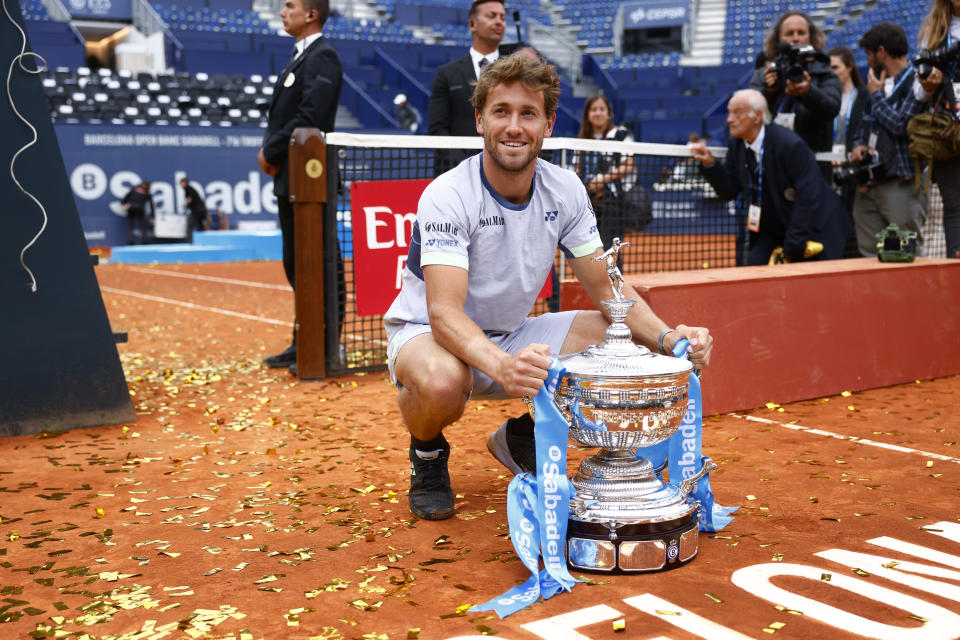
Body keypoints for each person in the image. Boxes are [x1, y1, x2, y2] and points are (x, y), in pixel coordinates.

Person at [383, 54, 713, 521]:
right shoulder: (448, 194)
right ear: (480, 120)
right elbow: (443, 313)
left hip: (510, 334)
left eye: (528, 113)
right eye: (501, 111)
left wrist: (670, 339)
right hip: (429, 336)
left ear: (549, 124)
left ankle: (521, 435)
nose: (513, 126)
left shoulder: (567, 189)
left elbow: (608, 290)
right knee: (442, 383)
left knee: (621, 342)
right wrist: (503, 365)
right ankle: (429, 453)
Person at [257, 0, 342, 371]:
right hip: (292, 178)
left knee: (319, 262)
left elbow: (311, 117)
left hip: (309, 177)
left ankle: (324, 347)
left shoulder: (322, 57)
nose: (281, 11)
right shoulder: (298, 56)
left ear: (311, 14)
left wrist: (270, 152)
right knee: (296, 263)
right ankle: (303, 338)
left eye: (289, 5)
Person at [690, 89, 851, 265]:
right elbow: (729, 190)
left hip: (816, 226)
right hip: (775, 227)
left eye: (737, 113)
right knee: (754, 267)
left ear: (757, 116)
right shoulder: (736, 144)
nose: (729, 119)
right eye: (729, 112)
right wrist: (710, 165)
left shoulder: (789, 144)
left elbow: (808, 197)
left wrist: (792, 245)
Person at [850, 22, 928, 257]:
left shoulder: (918, 81)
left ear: (881, 52)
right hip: (870, 181)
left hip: (901, 183)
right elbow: (861, 126)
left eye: (869, 54)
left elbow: (902, 125)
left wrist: (876, 96)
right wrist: (858, 146)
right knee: (869, 254)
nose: (868, 60)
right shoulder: (875, 81)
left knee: (904, 253)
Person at [427, 0, 505, 174]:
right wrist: (468, 166)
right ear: (472, 24)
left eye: (502, 17)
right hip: (455, 172)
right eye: (491, 16)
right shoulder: (446, 73)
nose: (499, 21)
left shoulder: (515, 73)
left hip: (504, 172)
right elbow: (437, 129)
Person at [750, 11, 841, 158]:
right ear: (779, 40)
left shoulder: (825, 73)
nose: (796, 38)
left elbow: (831, 109)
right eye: (789, 33)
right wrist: (770, 91)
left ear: (811, 38)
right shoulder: (764, 75)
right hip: (772, 161)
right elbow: (750, 115)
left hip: (812, 161)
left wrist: (808, 92)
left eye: (801, 33)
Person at [915, 0, 960, 258]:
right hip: (949, 132)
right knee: (955, 207)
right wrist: (929, 83)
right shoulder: (935, 31)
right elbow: (918, 91)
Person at [574, 93, 637, 268]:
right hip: (588, 206)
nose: (598, 113)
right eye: (593, 109)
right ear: (587, 114)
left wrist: (603, 180)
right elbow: (576, 169)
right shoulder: (581, 141)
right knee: (590, 251)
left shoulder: (621, 134)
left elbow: (628, 165)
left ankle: (616, 292)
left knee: (611, 250)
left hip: (613, 204)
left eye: (602, 109)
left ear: (609, 113)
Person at [828, 45, 868, 256]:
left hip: (854, 168)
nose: (832, 72)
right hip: (829, 167)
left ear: (849, 67)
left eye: (836, 67)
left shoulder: (864, 95)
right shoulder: (825, 98)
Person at [122, 181, 154, 245]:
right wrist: (153, 216)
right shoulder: (147, 193)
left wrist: (124, 204)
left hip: (131, 208)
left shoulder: (135, 189)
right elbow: (151, 205)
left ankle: (130, 241)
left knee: (131, 226)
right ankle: (144, 241)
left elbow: (125, 198)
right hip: (140, 210)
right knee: (142, 226)